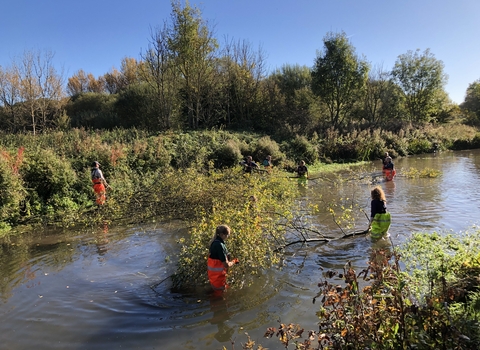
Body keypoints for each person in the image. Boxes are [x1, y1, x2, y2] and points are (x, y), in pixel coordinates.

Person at [207, 225, 239, 293]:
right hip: (218, 278)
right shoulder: (219, 245)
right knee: (219, 298)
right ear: (222, 234)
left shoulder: (214, 242)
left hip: (213, 276)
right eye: (227, 235)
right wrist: (234, 261)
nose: (228, 237)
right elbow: (226, 265)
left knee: (216, 291)